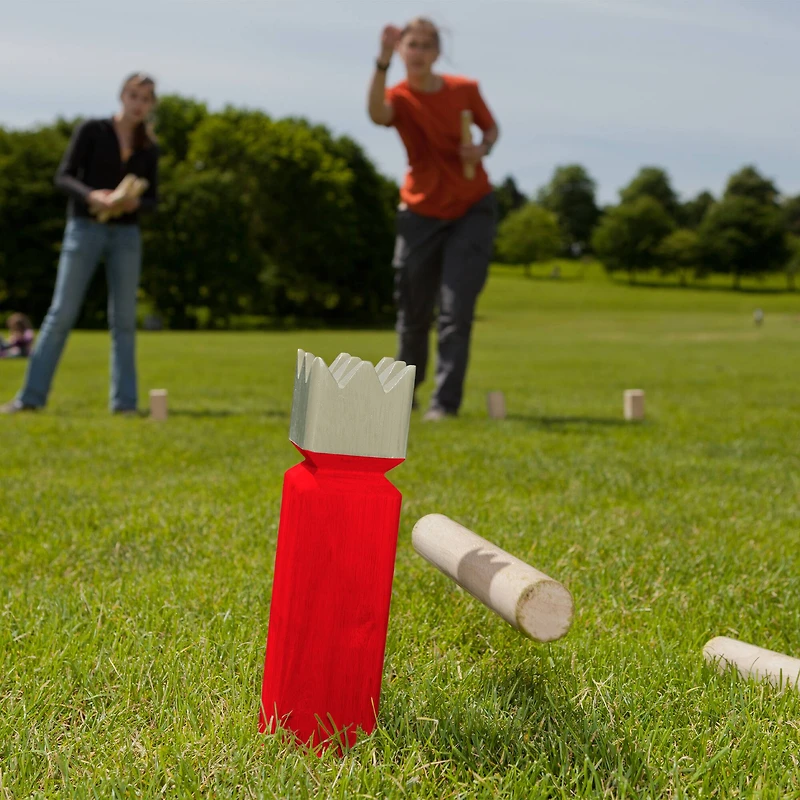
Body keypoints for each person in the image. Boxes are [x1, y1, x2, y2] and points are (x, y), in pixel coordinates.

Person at [1, 73, 159, 415]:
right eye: (134, 95)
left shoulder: (149, 147)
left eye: (146, 98)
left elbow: (154, 200)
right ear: (122, 96)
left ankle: (125, 404)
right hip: (84, 228)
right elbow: (63, 176)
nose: (138, 103)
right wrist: (93, 195)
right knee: (61, 313)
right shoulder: (92, 130)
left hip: (126, 235)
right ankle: (30, 397)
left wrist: (135, 203)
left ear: (151, 105)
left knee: (125, 320)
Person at [368, 18, 499, 421]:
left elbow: (491, 130)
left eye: (427, 45)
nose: (419, 51)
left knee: (455, 311)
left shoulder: (465, 90)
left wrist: (480, 149)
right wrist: (382, 62)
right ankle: (403, 398)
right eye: (413, 44)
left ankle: (444, 403)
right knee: (413, 311)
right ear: (403, 50)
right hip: (420, 212)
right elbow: (376, 114)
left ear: (437, 52)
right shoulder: (399, 96)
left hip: (471, 208)